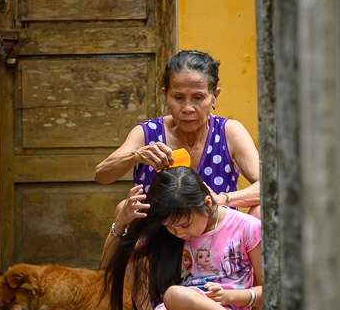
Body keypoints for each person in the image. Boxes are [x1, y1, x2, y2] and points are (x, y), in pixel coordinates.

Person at [84, 167, 263, 310]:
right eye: (170, 227)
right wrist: (120, 223)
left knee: (174, 296)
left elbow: (271, 290)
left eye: (184, 225)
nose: (178, 233)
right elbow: (107, 264)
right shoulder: (169, 235)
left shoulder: (247, 227)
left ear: (207, 203)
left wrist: (231, 296)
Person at [94, 50, 261, 218]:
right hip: (160, 235)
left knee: (260, 211)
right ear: (165, 95)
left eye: (198, 97)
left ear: (214, 97)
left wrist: (220, 199)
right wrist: (135, 156)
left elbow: (268, 186)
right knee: (123, 207)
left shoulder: (229, 132)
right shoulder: (148, 133)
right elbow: (102, 175)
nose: (187, 108)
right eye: (178, 97)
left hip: (216, 237)